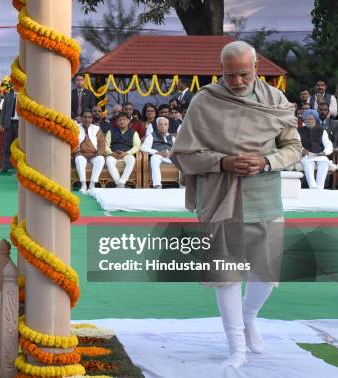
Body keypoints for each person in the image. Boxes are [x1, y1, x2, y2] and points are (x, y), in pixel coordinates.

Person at [171, 41, 301, 369]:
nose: (238, 81)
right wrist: (224, 162)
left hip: (265, 198)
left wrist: (267, 162)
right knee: (227, 275)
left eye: (244, 74)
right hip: (220, 197)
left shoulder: (275, 100)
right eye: (231, 75)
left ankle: (249, 316)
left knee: (267, 274)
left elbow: (294, 147)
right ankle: (236, 345)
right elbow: (184, 154)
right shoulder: (204, 101)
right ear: (222, 70)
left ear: (256, 69)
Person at [298, 109, 333, 189]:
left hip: (320, 155)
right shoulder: (299, 130)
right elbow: (297, 144)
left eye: (312, 119)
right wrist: (302, 150)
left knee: (324, 162)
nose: (310, 121)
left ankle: (320, 187)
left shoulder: (322, 131)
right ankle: (313, 187)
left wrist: (324, 152)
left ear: (315, 120)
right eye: (308, 119)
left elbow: (328, 144)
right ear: (305, 120)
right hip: (306, 155)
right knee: (308, 163)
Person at [105, 112, 140, 187]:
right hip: (113, 154)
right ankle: (119, 183)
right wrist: (111, 153)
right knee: (108, 160)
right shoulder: (110, 132)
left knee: (132, 159)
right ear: (117, 122)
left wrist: (126, 153)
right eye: (120, 120)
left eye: (124, 119)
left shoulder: (134, 133)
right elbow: (106, 146)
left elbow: (137, 146)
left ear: (128, 121)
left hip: (126, 154)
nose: (122, 121)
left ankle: (122, 181)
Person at [74, 109, 105, 194]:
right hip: (82, 154)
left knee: (101, 159)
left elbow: (102, 143)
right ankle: (83, 184)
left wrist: (99, 152)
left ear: (92, 119)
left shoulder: (96, 129)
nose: (87, 119)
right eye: (85, 117)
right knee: (79, 159)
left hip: (93, 155)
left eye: (89, 117)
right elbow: (72, 142)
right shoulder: (76, 128)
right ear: (81, 118)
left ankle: (92, 184)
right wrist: (76, 151)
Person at [141, 117, 175, 188]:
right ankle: (157, 184)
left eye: (165, 124)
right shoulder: (152, 135)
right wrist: (157, 152)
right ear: (157, 126)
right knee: (154, 158)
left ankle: (183, 185)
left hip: (170, 157)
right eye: (160, 124)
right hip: (159, 156)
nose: (163, 126)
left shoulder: (172, 137)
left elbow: (177, 149)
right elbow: (143, 147)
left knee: (182, 158)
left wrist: (171, 153)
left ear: (168, 126)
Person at [0, 88, 17, 173]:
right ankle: (5, 167)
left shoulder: (24, 94)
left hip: (20, 124)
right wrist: (1, 123)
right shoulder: (8, 95)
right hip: (9, 124)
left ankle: (18, 168)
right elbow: (3, 110)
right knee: (6, 146)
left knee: (19, 147)